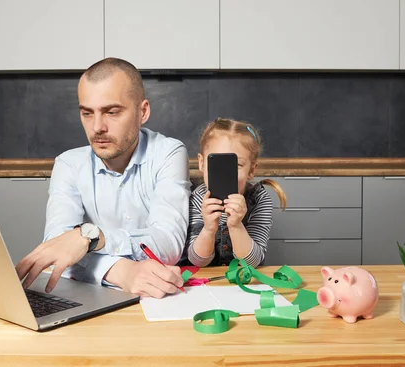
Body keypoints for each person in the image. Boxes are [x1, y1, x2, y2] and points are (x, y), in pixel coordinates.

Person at [15, 57, 191, 299]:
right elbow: (56, 253)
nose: (97, 127)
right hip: (95, 299)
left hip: (162, 296)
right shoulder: (68, 164)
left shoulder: (168, 153)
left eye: (112, 112)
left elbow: (168, 244)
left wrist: (90, 237)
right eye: (87, 113)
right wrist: (122, 272)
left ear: (143, 111)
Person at [180, 118, 287, 268]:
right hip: (208, 284)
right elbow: (197, 261)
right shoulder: (197, 198)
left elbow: (253, 262)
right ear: (202, 164)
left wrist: (236, 226)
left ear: (251, 170)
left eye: (236, 165)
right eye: (217, 163)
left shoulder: (259, 199)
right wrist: (209, 229)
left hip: (245, 280)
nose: (224, 173)